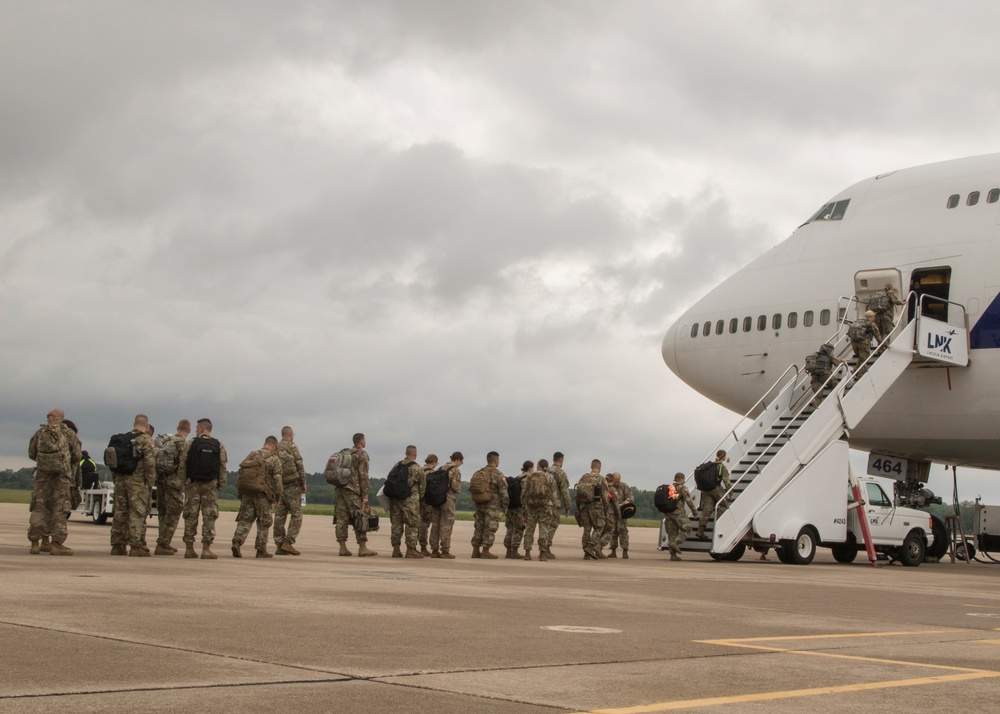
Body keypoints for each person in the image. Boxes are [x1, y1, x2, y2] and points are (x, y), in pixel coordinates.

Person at [27, 408, 80, 555]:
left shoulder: (40, 433)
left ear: (50, 418)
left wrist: (45, 463)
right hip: (62, 478)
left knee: (39, 507)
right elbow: (76, 455)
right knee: (60, 508)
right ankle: (56, 544)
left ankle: (35, 543)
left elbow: (32, 453)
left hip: (42, 478)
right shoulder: (69, 434)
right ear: (60, 418)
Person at [179, 418, 228, 560]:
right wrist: (220, 484)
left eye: (196, 428)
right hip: (211, 485)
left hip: (193, 484)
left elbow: (183, 463)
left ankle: (189, 548)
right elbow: (222, 466)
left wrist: (184, 481)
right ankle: (206, 549)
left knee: (190, 515)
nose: (195, 430)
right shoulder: (218, 445)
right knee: (209, 517)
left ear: (201, 428)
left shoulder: (191, 443)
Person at [109, 414, 156, 557]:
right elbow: (149, 463)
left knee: (120, 512)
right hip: (137, 483)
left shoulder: (123, 438)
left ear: (134, 424)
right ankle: (136, 546)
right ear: (146, 426)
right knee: (137, 512)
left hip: (121, 480)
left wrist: (116, 479)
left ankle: (117, 545)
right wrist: (150, 482)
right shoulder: (145, 440)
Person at [231, 436, 283, 558]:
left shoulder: (252, 455)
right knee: (264, 522)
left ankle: (237, 542)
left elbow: (241, 474)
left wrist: (240, 492)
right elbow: (277, 479)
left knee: (245, 520)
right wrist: (278, 495)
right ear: (274, 446)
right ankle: (261, 549)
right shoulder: (274, 459)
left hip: (247, 493)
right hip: (263, 494)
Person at [334, 432, 377, 557]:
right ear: (362, 441)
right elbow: (363, 476)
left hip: (340, 489)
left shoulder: (345, 453)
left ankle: (342, 547)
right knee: (360, 517)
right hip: (353, 490)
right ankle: (362, 547)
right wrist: (365, 495)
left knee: (341, 519)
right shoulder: (361, 455)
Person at [153, 419, 190, 555]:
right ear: (189, 430)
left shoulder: (166, 441)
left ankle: (164, 542)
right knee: (174, 513)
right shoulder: (182, 444)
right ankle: (163, 543)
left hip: (161, 480)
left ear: (177, 428)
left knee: (163, 511)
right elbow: (183, 464)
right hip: (174, 483)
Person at [273, 425, 307, 556]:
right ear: (291, 435)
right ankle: (288, 542)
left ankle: (279, 545)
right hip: (293, 485)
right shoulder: (292, 446)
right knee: (297, 514)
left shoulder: (275, 447)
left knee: (280, 515)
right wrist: (303, 482)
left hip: (279, 486)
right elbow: (299, 463)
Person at [387, 445, 425, 558]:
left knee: (396, 524)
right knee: (412, 524)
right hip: (410, 500)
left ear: (406, 453)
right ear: (415, 454)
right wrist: (419, 498)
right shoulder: (417, 468)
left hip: (395, 499)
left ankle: (396, 549)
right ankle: (411, 549)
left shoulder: (396, 465)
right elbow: (422, 487)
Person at [470, 451, 508, 559]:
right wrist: (505, 507)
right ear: (496, 461)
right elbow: (504, 493)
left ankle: (475, 550)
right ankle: (486, 551)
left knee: (479, 526)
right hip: (492, 505)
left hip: (479, 504)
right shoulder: (498, 474)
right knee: (490, 528)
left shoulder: (478, 472)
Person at [428, 452, 463, 559]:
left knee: (435, 524)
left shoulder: (440, 468)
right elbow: (456, 487)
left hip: (436, 499)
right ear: (458, 460)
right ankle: (445, 550)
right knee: (447, 525)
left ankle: (434, 550)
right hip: (448, 500)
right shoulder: (455, 470)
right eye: (461, 462)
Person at [522, 458, 555, 561]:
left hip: (531, 506)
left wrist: (524, 506)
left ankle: (527, 553)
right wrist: (552, 505)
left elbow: (524, 493)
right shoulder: (550, 477)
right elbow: (553, 494)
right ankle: (542, 554)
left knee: (530, 529)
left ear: (538, 466)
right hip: (545, 506)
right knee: (544, 529)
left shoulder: (530, 477)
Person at [696, 450, 731, 541]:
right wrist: (730, 492)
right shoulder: (721, 466)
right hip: (716, 489)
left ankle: (700, 530)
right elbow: (726, 481)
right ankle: (717, 527)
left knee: (707, 509)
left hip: (705, 490)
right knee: (725, 505)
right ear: (724, 457)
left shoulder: (709, 466)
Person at [576, 459, 606, 560]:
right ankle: (590, 546)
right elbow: (605, 497)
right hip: (596, 507)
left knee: (587, 529)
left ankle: (586, 552)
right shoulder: (600, 478)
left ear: (591, 466)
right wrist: (606, 510)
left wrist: (579, 508)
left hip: (584, 506)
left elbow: (578, 495)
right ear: (600, 468)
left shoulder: (584, 477)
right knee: (599, 527)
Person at [665, 472, 698, 561]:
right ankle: (676, 542)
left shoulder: (670, 487)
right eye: (683, 479)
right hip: (678, 512)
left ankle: (673, 555)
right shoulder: (682, 487)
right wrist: (694, 511)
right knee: (688, 527)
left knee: (672, 533)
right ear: (681, 479)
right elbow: (688, 500)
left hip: (668, 513)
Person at [545, 452, 571, 559]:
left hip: (543, 502)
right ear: (561, 461)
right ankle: (546, 548)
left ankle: (543, 547)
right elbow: (565, 491)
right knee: (553, 525)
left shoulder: (546, 470)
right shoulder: (561, 473)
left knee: (545, 525)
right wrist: (568, 505)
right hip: (555, 503)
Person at [503, 461, 531, 559]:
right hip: (519, 508)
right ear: (530, 468)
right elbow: (525, 494)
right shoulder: (527, 478)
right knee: (519, 529)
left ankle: (508, 551)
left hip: (510, 507)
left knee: (510, 529)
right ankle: (514, 551)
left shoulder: (517, 477)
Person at [608, 472, 633, 559]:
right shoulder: (609, 487)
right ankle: (613, 551)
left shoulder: (624, 486)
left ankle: (625, 551)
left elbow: (630, 497)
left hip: (622, 513)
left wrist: (627, 501)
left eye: (618, 481)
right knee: (613, 532)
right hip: (612, 513)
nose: (616, 483)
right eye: (615, 481)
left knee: (623, 532)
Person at [418, 454, 438, 556]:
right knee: (425, 524)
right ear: (433, 462)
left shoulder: (420, 470)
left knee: (419, 523)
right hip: (427, 501)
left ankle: (419, 546)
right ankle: (423, 547)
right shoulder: (431, 473)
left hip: (418, 500)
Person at [599, 471, 620, 556]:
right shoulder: (612, 489)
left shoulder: (601, 488)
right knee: (609, 531)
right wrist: (619, 515)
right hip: (609, 514)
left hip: (599, 513)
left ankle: (597, 550)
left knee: (601, 531)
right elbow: (616, 504)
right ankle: (599, 546)